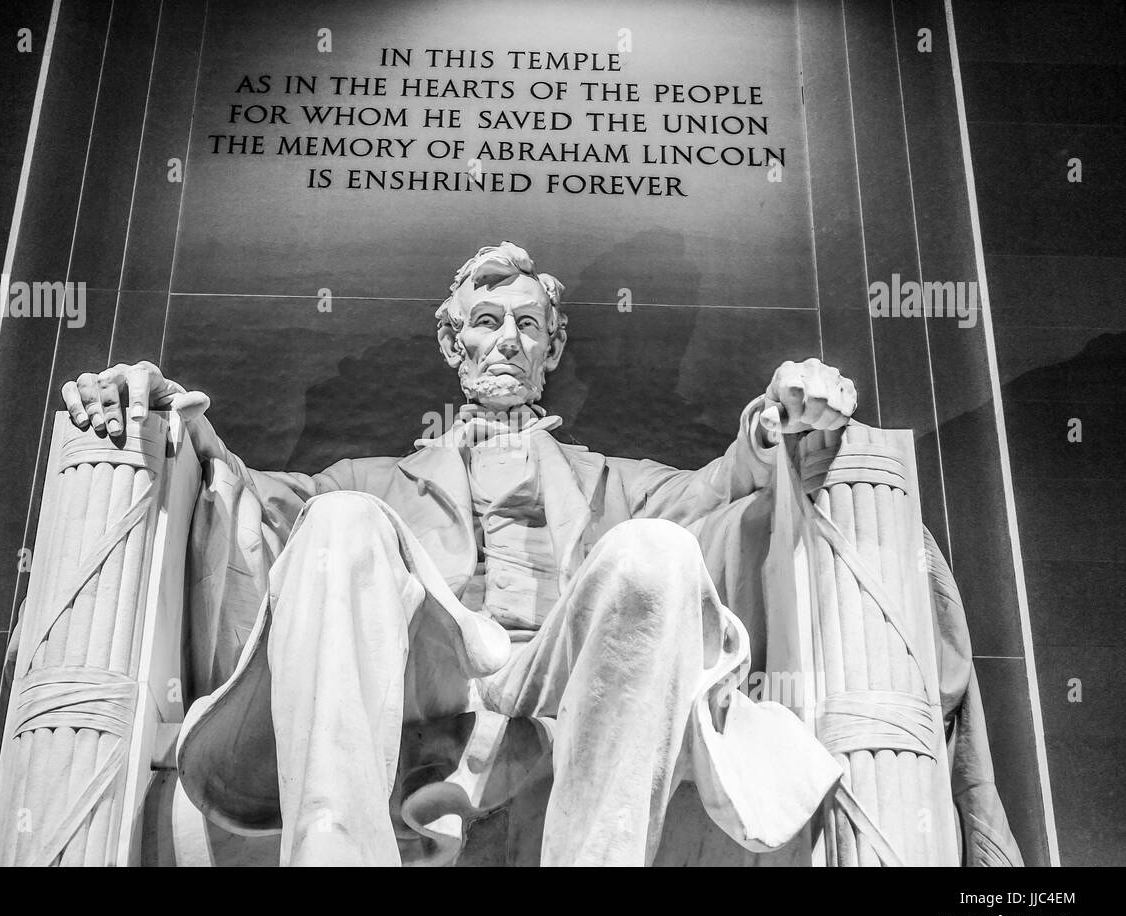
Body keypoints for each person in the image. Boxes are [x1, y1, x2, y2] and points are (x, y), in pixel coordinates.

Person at [61, 241, 861, 866]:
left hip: (562, 664)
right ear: (454, 346)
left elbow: (729, 489)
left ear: (551, 351)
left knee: (656, 550)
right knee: (338, 522)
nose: (507, 339)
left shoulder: (617, 482)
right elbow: (238, 496)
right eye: (486, 322)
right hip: (424, 667)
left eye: (527, 325)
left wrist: (779, 422)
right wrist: (169, 420)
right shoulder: (373, 482)